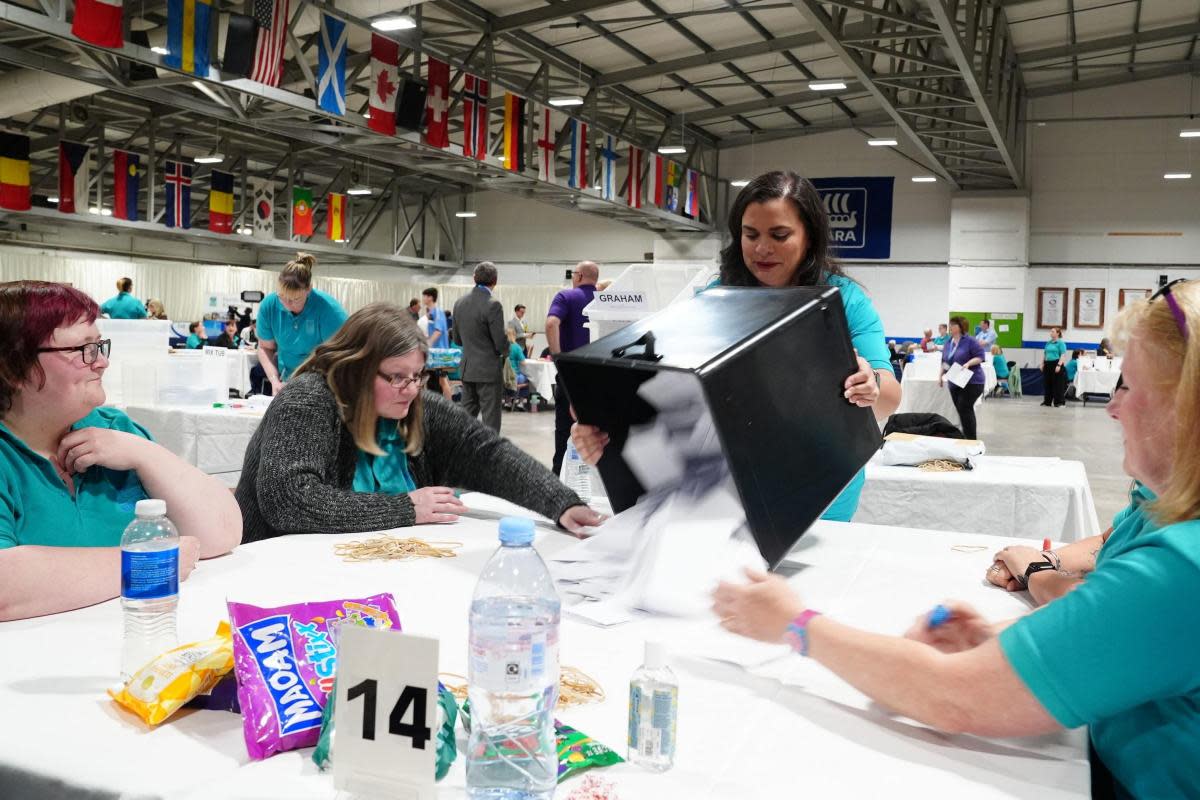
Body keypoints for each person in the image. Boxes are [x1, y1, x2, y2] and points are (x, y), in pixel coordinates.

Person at [713, 280, 1200, 798]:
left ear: (1184, 410)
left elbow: (951, 698)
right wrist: (1007, 645)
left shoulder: (1179, 570)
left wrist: (796, 623)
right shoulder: (1161, 506)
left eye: (1126, 386)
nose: (1112, 408)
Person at [572, 172, 901, 521]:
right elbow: (670, 385)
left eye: (779, 235)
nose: (761, 248)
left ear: (810, 237)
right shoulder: (713, 298)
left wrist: (870, 385)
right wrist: (604, 421)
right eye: (750, 234)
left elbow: (890, 397)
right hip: (734, 491)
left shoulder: (846, 302)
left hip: (823, 494)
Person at [235, 302, 603, 543]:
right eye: (396, 377)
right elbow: (287, 500)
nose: (410, 389)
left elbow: (487, 454)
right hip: (285, 575)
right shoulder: (308, 400)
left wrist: (561, 503)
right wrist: (405, 508)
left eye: (417, 375)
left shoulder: (415, 406)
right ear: (356, 369)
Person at [0, 281, 241, 621]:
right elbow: (5, 588)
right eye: (82, 350)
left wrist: (144, 454)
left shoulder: (113, 430)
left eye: (99, 346)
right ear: (13, 371)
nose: (101, 363)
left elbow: (221, 534)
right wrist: (153, 564)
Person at [256, 253, 348, 395]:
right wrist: (274, 381)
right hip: (288, 380)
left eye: (295, 299)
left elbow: (344, 356)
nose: (287, 305)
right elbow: (265, 348)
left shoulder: (330, 311)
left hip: (324, 382)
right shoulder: (268, 306)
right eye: (282, 297)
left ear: (308, 289)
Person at [547, 261, 600, 475]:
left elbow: (551, 323)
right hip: (599, 375)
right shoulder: (605, 299)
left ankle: (561, 475)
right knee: (597, 431)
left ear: (578, 276)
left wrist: (558, 357)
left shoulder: (566, 297)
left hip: (572, 373)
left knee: (565, 431)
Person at [451, 263, 507, 432]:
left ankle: (461, 454)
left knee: (466, 419)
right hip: (488, 372)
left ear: (474, 278)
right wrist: (507, 349)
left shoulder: (459, 303)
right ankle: (488, 457)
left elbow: (457, 340)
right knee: (490, 422)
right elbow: (500, 343)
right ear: (495, 281)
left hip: (468, 370)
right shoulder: (493, 304)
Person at [938, 316, 986, 439]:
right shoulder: (948, 343)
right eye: (950, 324)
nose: (951, 327)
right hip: (954, 380)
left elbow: (980, 356)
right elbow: (945, 361)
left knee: (965, 407)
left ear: (961, 327)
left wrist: (969, 363)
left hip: (972, 381)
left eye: (954, 325)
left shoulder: (970, 341)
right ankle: (966, 436)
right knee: (961, 409)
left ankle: (971, 439)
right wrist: (940, 375)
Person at [1041, 326, 1068, 407]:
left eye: (1053, 331)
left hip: (1056, 363)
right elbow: (1045, 354)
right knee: (1047, 383)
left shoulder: (1061, 343)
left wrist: (1059, 365)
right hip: (1047, 364)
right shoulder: (1048, 343)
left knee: (1057, 384)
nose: (1051, 333)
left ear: (1058, 333)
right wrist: (1042, 363)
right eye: (1051, 331)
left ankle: (1059, 402)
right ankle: (1047, 401)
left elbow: (1063, 355)